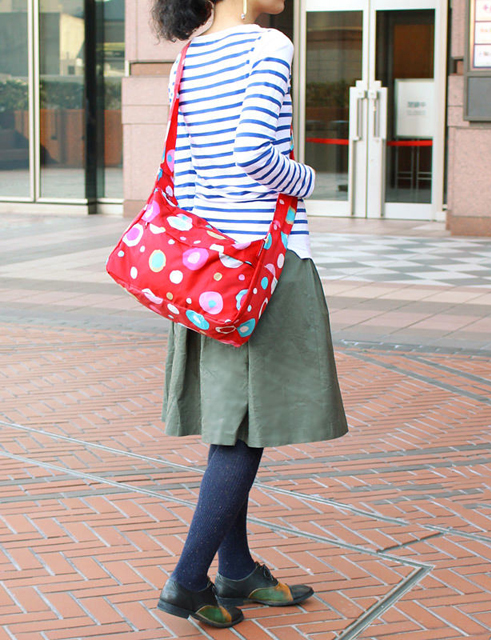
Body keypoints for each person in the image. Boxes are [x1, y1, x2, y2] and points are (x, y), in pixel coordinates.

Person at [151, 0, 348, 629]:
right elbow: (253, 154)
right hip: (264, 265)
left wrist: (215, 236)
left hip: (210, 270)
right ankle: (187, 581)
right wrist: (310, 178)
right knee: (244, 430)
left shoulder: (188, 56)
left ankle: (235, 570)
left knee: (231, 419)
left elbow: (184, 174)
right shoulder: (268, 45)